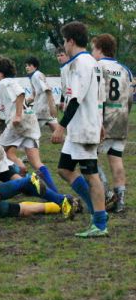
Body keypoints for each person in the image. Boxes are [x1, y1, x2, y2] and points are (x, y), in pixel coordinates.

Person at [52, 21, 108, 238]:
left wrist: (60, 126)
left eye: (64, 41)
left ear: (71, 41)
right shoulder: (88, 62)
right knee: (64, 169)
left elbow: (75, 99)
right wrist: (100, 121)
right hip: (82, 127)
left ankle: (100, 222)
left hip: (83, 127)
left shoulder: (81, 64)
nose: (63, 46)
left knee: (91, 174)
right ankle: (97, 210)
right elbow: (98, 96)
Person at [0, 58, 61, 195]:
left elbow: (21, 93)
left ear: (1, 73)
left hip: (25, 119)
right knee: (35, 161)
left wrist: (17, 114)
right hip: (31, 118)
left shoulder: (5, 82)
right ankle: (57, 194)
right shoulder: (12, 81)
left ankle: (24, 174)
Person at [91, 33, 133, 212]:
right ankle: (120, 201)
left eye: (93, 48)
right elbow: (130, 96)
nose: (92, 52)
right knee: (116, 159)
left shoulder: (97, 66)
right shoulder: (125, 69)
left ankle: (107, 193)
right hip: (122, 118)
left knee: (90, 158)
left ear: (100, 49)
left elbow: (95, 95)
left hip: (104, 120)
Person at [24, 56, 59, 133]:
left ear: (35, 66)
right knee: (57, 133)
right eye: (26, 65)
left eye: (29, 65)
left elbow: (48, 90)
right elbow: (34, 95)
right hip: (44, 110)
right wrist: (24, 103)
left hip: (42, 110)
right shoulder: (32, 77)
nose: (27, 67)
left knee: (30, 134)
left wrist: (52, 107)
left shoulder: (37, 75)